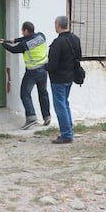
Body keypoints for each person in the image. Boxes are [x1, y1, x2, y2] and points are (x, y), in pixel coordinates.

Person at [0, 22, 51, 130]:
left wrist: (3, 44)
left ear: (26, 31)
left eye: (23, 31)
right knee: (43, 93)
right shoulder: (41, 36)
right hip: (44, 70)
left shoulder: (24, 45)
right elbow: (26, 39)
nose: (22, 33)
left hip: (32, 72)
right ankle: (47, 116)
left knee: (25, 94)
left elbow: (13, 50)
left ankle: (31, 117)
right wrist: (15, 40)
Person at [46, 16, 82, 144]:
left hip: (58, 79)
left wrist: (44, 66)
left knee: (60, 105)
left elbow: (52, 64)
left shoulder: (58, 42)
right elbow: (79, 58)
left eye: (55, 24)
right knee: (65, 103)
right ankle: (68, 128)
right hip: (70, 77)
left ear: (58, 25)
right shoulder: (75, 39)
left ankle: (66, 134)